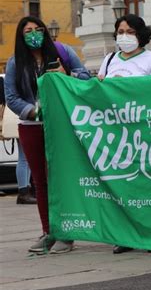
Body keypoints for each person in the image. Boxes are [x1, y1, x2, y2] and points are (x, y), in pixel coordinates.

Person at [5, 16, 90, 254]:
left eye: (37, 29)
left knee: (62, 178)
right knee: (40, 182)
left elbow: (86, 77)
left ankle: (66, 233)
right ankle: (48, 231)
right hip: (32, 126)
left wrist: (67, 76)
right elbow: (11, 97)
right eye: (27, 31)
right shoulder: (14, 63)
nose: (33, 34)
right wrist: (32, 111)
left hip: (61, 125)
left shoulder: (63, 52)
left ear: (44, 31)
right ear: (21, 37)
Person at [98, 14, 151, 254]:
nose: (124, 36)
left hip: (144, 132)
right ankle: (126, 235)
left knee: (148, 184)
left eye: (129, 32)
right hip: (117, 134)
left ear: (140, 34)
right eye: (120, 31)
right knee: (124, 185)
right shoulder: (109, 59)